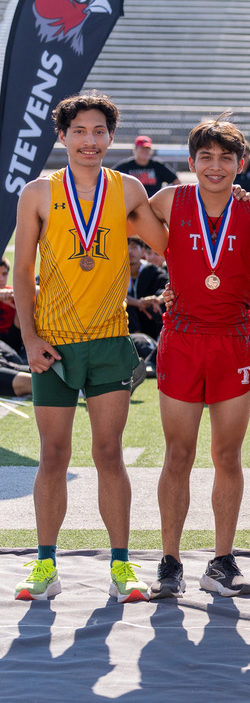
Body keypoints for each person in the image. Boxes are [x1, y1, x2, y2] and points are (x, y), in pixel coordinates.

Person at [13, 91, 168, 602]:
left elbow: (166, 243)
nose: (89, 140)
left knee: (108, 453)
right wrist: (30, 338)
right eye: (79, 130)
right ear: (62, 136)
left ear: (111, 137)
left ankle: (122, 566)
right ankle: (45, 564)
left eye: (99, 131)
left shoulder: (125, 189)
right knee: (53, 454)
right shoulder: (38, 192)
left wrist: (207, 198)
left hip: (109, 342)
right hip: (53, 346)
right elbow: (22, 272)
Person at [146, 117, 250, 599]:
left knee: (227, 456)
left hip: (233, 340)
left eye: (225, 158)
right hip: (183, 337)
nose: (215, 167)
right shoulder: (169, 201)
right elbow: (122, 218)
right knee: (178, 453)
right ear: (191, 162)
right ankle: (170, 562)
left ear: (241, 164)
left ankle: (221, 561)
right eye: (205, 158)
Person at [114, 135, 179, 197]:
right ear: (135, 149)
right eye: (142, 148)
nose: (145, 151)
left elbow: (176, 181)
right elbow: (111, 179)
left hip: (153, 203)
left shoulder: (157, 166)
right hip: (133, 203)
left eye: (147, 148)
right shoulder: (126, 166)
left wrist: (166, 196)